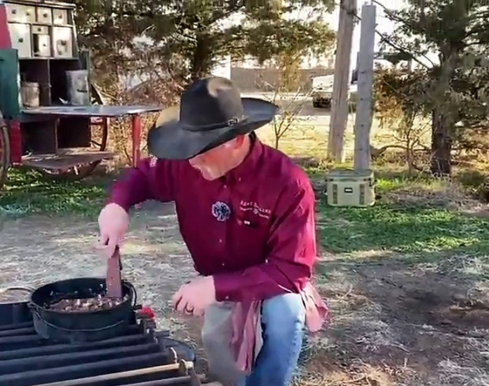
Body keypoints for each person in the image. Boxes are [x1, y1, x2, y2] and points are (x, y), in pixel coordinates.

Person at [97, 77, 327, 386]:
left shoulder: (288, 183)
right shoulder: (186, 165)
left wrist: (216, 287)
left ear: (236, 139)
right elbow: (143, 176)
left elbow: (292, 271)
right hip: (217, 280)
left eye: (201, 149)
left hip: (269, 281)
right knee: (226, 363)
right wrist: (117, 205)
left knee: (286, 316)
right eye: (188, 148)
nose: (192, 159)